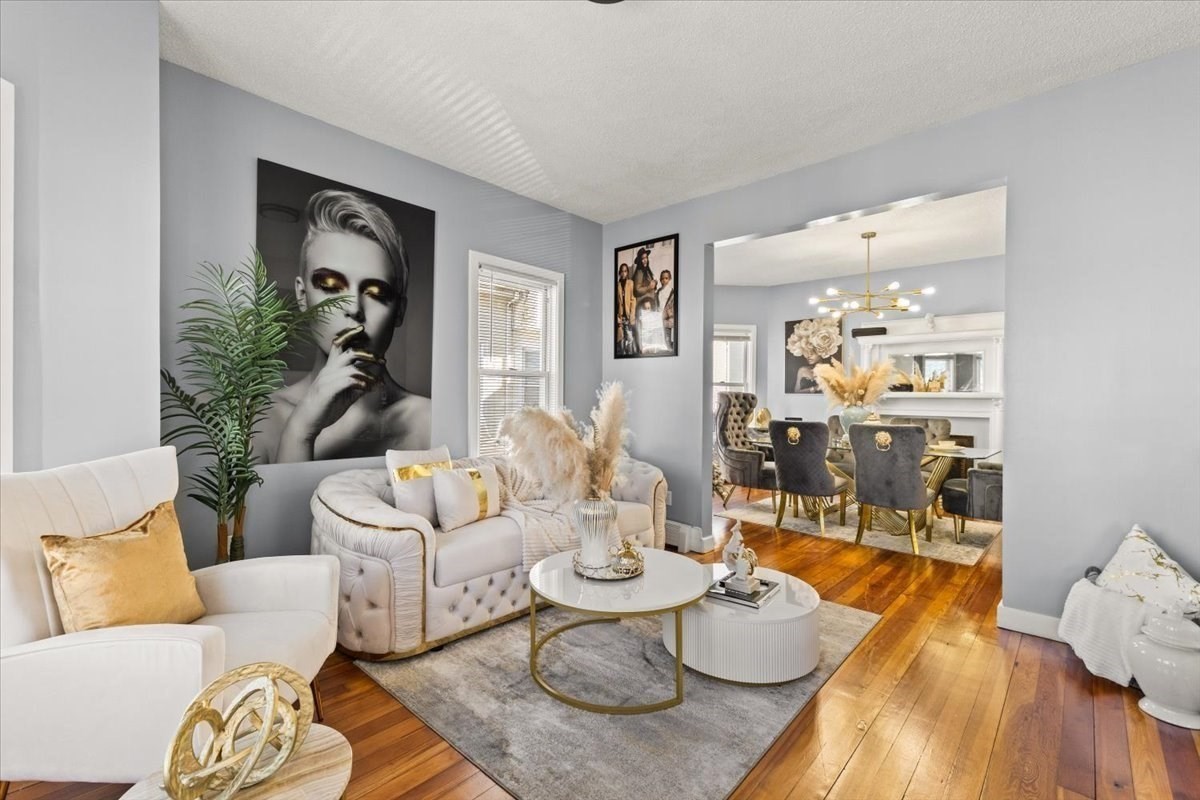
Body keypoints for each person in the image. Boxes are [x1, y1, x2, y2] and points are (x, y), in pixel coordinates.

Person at [259, 189, 431, 463]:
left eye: (376, 292)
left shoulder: (427, 421)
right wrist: (299, 432)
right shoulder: (262, 420)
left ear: (399, 311)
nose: (354, 307)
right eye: (330, 286)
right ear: (302, 296)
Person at [616, 262, 637, 355]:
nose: (623, 273)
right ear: (619, 272)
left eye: (625, 271)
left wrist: (632, 315)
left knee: (630, 338)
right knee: (621, 339)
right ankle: (623, 356)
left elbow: (633, 300)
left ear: (627, 272)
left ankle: (630, 355)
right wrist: (617, 317)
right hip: (620, 317)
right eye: (622, 271)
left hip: (628, 317)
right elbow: (616, 303)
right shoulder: (617, 285)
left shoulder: (631, 283)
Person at [656, 269, 675, 350]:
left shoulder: (672, 292)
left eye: (666, 278)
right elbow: (657, 304)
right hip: (658, 318)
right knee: (660, 341)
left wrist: (666, 314)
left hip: (667, 319)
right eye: (662, 278)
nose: (664, 280)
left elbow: (672, 307)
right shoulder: (658, 291)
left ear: (669, 279)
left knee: (667, 339)